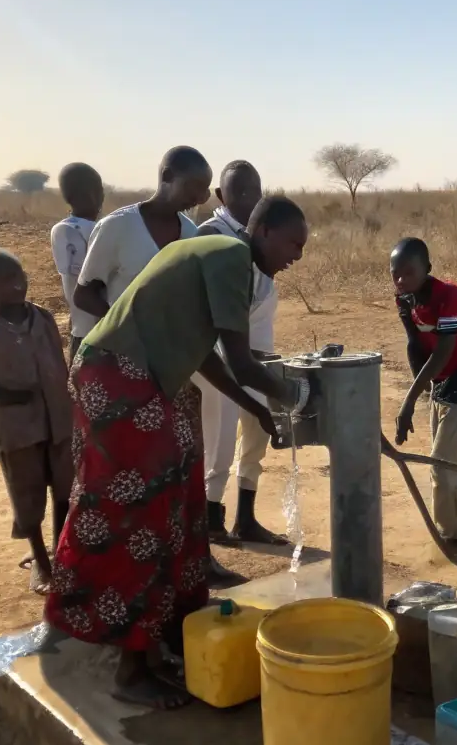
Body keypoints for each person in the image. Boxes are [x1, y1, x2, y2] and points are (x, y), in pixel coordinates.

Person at [45, 192, 309, 708]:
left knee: (179, 499)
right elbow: (242, 360)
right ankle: (129, 667)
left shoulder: (211, 252)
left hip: (135, 376)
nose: (297, 256)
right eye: (294, 244)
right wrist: (298, 396)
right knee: (142, 511)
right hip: (122, 377)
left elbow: (206, 356)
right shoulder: (230, 257)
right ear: (264, 231)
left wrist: (255, 409)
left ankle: (160, 640)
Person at [0, 249, 74, 593]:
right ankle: (42, 565)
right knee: (27, 500)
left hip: (59, 423)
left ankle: (61, 556)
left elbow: (60, 365)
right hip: (20, 431)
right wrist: (12, 395)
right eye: (6, 279)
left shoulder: (43, 317)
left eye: (19, 274)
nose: (18, 283)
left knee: (64, 493)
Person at [390, 236, 457, 564]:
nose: (401, 280)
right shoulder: (405, 299)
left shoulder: (450, 295)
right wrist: (423, 389)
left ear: (427, 270)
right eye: (395, 273)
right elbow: (414, 343)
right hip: (442, 374)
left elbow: (447, 347)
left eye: (408, 272)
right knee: (446, 462)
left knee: (441, 462)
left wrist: (408, 402)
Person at [196, 160, 284, 545]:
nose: (249, 199)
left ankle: (245, 518)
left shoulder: (258, 238)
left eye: (255, 191)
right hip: (220, 356)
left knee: (256, 435)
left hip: (259, 355)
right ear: (221, 196)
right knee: (220, 436)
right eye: (240, 192)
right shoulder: (211, 235)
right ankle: (211, 517)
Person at [73, 145, 207, 320]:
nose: (198, 198)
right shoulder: (117, 226)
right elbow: (84, 296)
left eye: (204, 190)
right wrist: (124, 328)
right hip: (126, 345)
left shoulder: (191, 233)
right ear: (167, 176)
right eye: (193, 187)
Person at [50, 162, 105, 361]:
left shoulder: (105, 226)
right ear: (71, 198)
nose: (99, 197)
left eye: (100, 190)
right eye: (93, 191)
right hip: (87, 327)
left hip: (107, 327)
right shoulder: (66, 230)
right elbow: (82, 277)